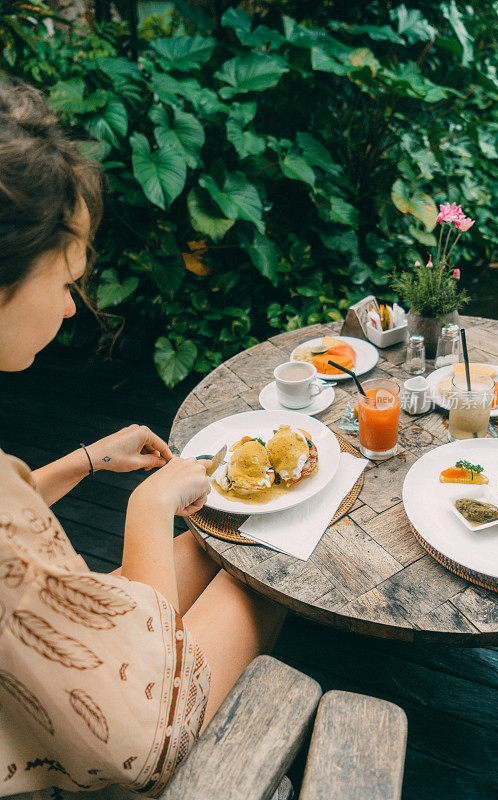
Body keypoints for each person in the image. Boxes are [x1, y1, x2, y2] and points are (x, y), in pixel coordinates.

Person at [0, 82, 286, 797]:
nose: (72, 307)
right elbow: (145, 734)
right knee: (265, 571)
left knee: (211, 545)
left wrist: (87, 460)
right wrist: (149, 504)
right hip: (92, 738)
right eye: (65, 281)